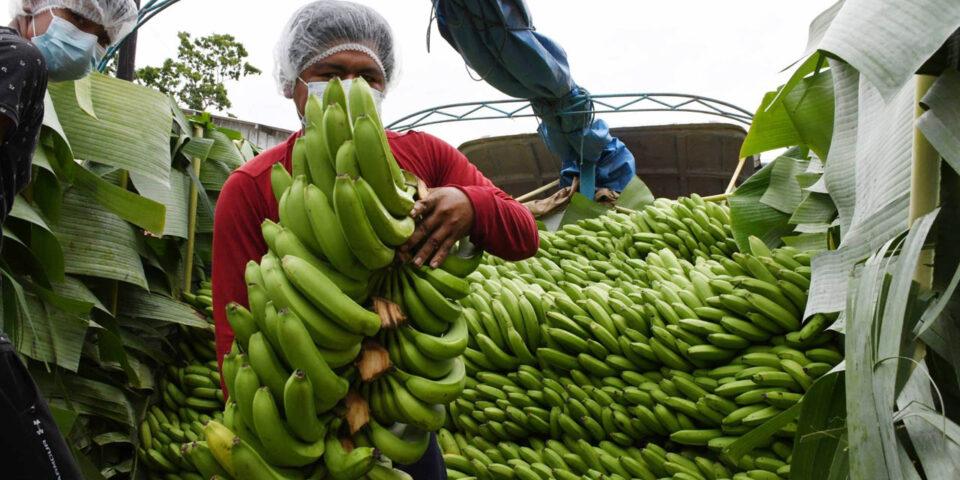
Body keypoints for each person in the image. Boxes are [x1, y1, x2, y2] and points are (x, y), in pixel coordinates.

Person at [212, 0, 539, 477]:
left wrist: (474, 204)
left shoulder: (425, 157)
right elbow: (236, 331)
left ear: (386, 83)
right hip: (306, 413)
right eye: (331, 71)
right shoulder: (254, 186)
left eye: (369, 75)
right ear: (293, 83)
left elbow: (524, 236)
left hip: (401, 413)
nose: (351, 87)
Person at [0, 1, 137, 479]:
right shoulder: (21, 57)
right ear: (34, 5)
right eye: (77, 20)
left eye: (99, 35)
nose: (85, 41)